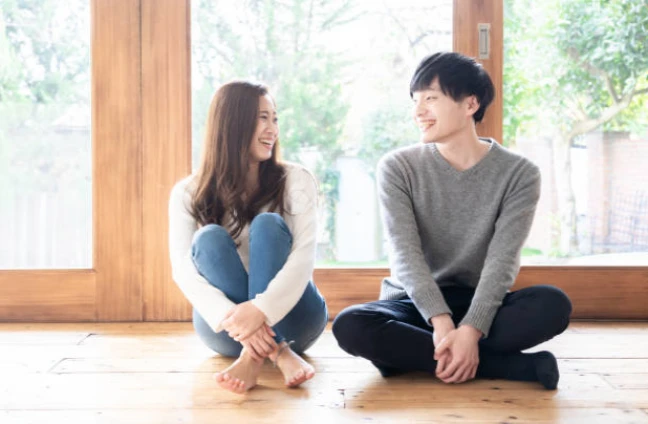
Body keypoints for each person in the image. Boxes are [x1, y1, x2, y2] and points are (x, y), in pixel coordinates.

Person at [332, 52, 572, 390]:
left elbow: (502, 261)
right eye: (415, 100)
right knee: (351, 325)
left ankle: (412, 357)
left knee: (553, 305)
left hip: (480, 301)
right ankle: (514, 367)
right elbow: (405, 255)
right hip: (414, 305)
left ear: (470, 104)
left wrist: (471, 329)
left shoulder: (520, 174)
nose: (418, 111)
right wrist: (442, 323)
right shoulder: (398, 167)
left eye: (430, 98)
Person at [168, 81, 328, 394]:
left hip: (297, 320)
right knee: (208, 238)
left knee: (268, 224)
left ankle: (252, 358)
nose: (272, 129)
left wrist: (261, 310)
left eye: (275, 119)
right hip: (226, 328)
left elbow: (303, 258)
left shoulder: (296, 180)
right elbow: (182, 270)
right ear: (232, 124)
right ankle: (278, 352)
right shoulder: (187, 192)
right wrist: (234, 317)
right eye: (262, 118)